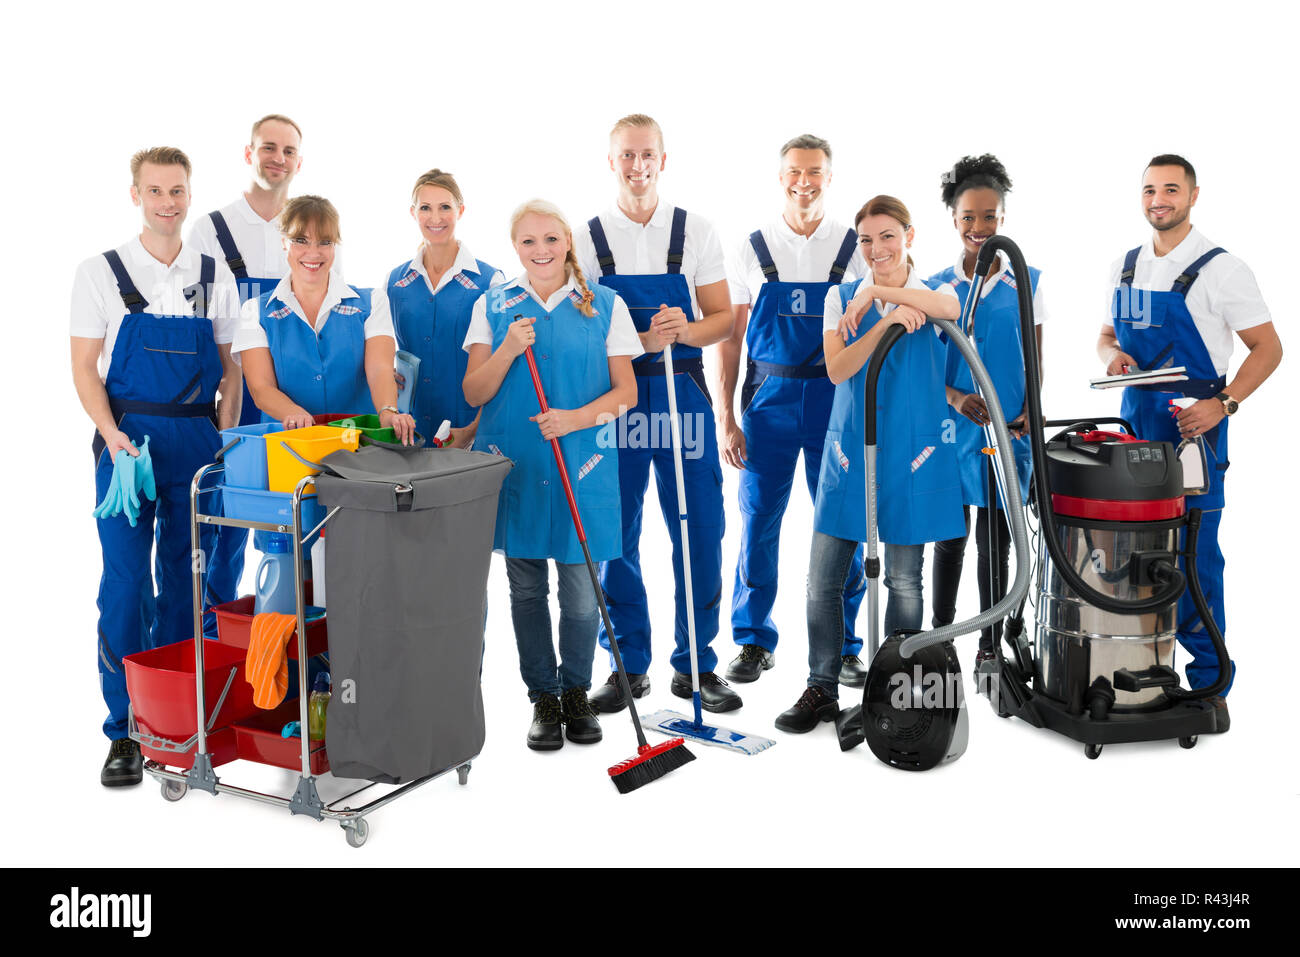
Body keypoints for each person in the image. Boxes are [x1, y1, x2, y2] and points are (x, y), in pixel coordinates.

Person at [70, 146, 242, 785]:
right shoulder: (100, 272)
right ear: (136, 195)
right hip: (128, 448)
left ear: (189, 195)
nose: (168, 202)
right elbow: (84, 367)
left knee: (186, 582)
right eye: (156, 191)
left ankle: (175, 723)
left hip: (197, 446)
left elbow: (228, 366)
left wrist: (224, 435)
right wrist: (112, 436)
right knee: (124, 584)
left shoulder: (211, 271)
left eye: (178, 192)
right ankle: (122, 731)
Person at [1097, 154, 1281, 717]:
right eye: (1150, 189)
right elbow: (1106, 336)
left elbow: (1269, 348)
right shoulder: (1125, 265)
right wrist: (1113, 358)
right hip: (1133, 429)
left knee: (1195, 557)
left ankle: (1208, 684)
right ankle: (1141, 669)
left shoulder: (1223, 268)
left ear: (1193, 196)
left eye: (1171, 189)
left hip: (1192, 430)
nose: (1159, 199)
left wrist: (1222, 405)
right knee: (1132, 554)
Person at [574, 113, 741, 714]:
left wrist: (686, 328)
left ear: (663, 160)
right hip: (617, 397)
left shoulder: (695, 230)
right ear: (611, 160)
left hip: (683, 392)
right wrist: (630, 339)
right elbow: (575, 324)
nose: (638, 165)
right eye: (627, 155)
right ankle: (625, 665)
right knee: (614, 531)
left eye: (648, 155)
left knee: (699, 527)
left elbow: (724, 318)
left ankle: (696, 664)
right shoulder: (586, 237)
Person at [463, 199, 640, 750]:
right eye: (527, 242)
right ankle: (543, 697)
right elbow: (474, 393)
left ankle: (576, 695)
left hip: (581, 466)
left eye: (550, 240)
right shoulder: (493, 305)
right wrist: (509, 349)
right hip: (515, 465)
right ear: (514, 248)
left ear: (568, 242)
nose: (540, 251)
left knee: (583, 594)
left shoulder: (604, 304)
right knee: (526, 591)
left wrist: (575, 420)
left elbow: (627, 394)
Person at [783, 195, 964, 732]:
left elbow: (950, 312)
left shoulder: (936, 293)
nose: (876, 248)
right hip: (848, 451)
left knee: (904, 581)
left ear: (909, 235)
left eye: (888, 236)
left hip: (914, 455)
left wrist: (881, 292)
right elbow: (838, 369)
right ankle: (821, 687)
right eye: (866, 240)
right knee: (823, 580)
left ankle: (897, 689)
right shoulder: (840, 298)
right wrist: (882, 324)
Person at [718, 133, 871, 689]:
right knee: (758, 521)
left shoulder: (853, 247)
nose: (803, 182)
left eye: (814, 172)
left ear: (829, 178)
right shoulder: (752, 247)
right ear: (780, 176)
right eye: (794, 172)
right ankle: (754, 641)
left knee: (841, 523)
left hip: (835, 404)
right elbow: (732, 340)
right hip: (768, 407)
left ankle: (847, 644)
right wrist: (727, 419)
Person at [927, 155, 1047, 676]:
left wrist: (1027, 413)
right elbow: (925, 367)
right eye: (969, 217)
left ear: (1003, 218)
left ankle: (989, 643)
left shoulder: (1027, 280)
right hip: (954, 430)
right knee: (950, 538)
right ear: (953, 219)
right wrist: (955, 399)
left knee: (996, 541)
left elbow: (1034, 356)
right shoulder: (936, 287)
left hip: (1009, 430)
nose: (979, 228)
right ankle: (941, 637)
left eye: (990, 217)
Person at [187, 114, 306, 623]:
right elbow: (198, 321)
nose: (277, 158)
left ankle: (285, 640)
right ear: (248, 153)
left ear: (299, 161)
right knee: (224, 519)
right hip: (232, 390)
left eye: (287, 150)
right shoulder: (210, 230)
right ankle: (216, 635)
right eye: (268, 147)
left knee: (295, 519)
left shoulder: (310, 229)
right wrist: (222, 396)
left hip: (295, 394)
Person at [231, 195, 415, 444]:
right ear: (284, 241)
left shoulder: (372, 303)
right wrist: (293, 413)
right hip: (290, 446)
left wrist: (388, 410)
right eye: (301, 240)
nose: (313, 253)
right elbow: (261, 388)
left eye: (324, 242)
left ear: (335, 246)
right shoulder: (255, 311)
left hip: (360, 445)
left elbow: (380, 368)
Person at [388, 169, 504, 447]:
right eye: (426, 208)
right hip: (409, 425)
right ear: (413, 212)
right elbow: (385, 348)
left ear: (460, 210)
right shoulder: (395, 281)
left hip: (468, 425)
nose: (436, 218)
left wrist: (475, 429)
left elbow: (503, 363)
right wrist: (385, 373)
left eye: (445, 207)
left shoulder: (490, 281)